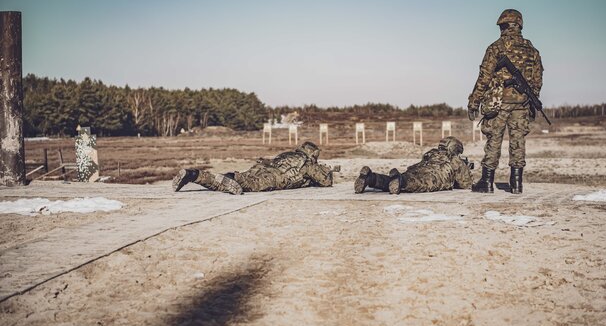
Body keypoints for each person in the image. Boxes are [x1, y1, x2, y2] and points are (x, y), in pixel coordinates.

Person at [467, 9, 544, 194]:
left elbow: (484, 77)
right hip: (522, 104)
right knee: (518, 142)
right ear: (519, 25)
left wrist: (474, 101)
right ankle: (517, 184)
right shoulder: (532, 50)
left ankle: (486, 182)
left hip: (498, 102)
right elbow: (537, 78)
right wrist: (532, 99)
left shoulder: (496, 47)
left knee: (494, 140)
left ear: (503, 26)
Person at [172, 141, 335, 194]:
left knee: (237, 178)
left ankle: (193, 174)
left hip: (263, 167)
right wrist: (327, 172)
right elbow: (325, 182)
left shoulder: (289, 154)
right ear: (312, 153)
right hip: (275, 177)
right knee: (247, 184)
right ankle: (228, 178)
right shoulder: (307, 162)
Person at [353, 137, 472, 194]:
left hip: (418, 168)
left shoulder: (432, 152)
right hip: (434, 175)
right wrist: (465, 168)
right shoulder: (455, 160)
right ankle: (400, 180)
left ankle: (371, 178)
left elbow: (425, 162)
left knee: (394, 181)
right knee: (418, 183)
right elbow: (465, 184)